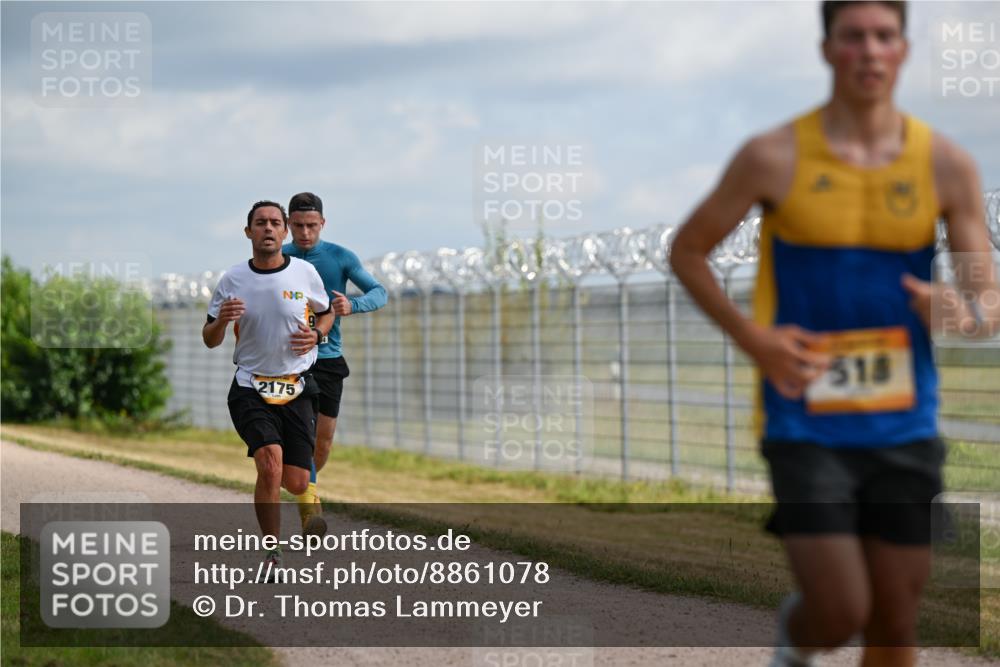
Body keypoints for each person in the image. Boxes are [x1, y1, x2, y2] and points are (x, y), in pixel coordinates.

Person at [669, 2, 997, 665]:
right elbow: (688, 250)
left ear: (903, 50)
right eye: (854, 37)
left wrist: (959, 311)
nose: (870, 51)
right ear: (827, 49)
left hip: (904, 424)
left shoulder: (947, 165)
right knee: (843, 609)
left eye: (884, 36)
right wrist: (752, 338)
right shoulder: (772, 156)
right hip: (804, 416)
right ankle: (796, 642)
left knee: (895, 622)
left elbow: (986, 296)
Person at [204, 200, 333, 571]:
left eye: (275, 223)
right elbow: (210, 338)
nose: (268, 229)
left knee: (293, 481)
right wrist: (222, 323)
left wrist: (317, 336)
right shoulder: (232, 279)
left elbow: (326, 313)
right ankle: (273, 552)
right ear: (248, 232)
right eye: (260, 223)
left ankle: (306, 494)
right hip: (250, 386)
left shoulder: (305, 273)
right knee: (270, 465)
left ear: (285, 231)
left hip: (298, 385)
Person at [283, 192, 388, 536]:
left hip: (329, 358)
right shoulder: (279, 257)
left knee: (323, 441)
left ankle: (304, 481)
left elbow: (379, 292)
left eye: (311, 226)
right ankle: (309, 508)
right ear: (288, 225)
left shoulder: (340, 257)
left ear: (322, 224)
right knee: (303, 431)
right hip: (293, 359)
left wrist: (352, 306)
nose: (305, 233)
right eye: (297, 226)